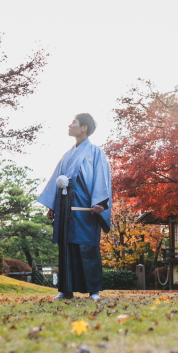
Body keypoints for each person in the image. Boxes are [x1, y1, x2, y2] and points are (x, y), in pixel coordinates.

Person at [38, 113, 111, 300]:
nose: (70, 125)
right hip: (66, 207)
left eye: (74, 123)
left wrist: (99, 202)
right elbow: (57, 178)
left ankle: (93, 291)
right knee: (66, 247)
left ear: (84, 128)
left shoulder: (95, 152)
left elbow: (101, 177)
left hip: (85, 208)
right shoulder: (67, 155)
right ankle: (66, 289)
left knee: (86, 246)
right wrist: (53, 205)